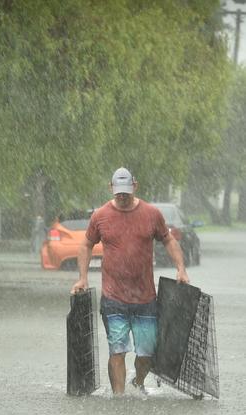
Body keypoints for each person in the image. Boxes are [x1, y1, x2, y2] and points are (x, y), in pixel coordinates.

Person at [71, 168, 189, 395]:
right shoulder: (101, 216)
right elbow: (86, 245)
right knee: (117, 350)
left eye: (126, 192)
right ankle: (119, 399)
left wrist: (181, 269)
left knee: (146, 354)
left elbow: (169, 241)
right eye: (118, 193)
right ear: (111, 189)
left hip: (145, 299)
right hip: (113, 298)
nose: (122, 197)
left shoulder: (152, 214)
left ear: (135, 185)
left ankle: (138, 383)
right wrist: (82, 278)